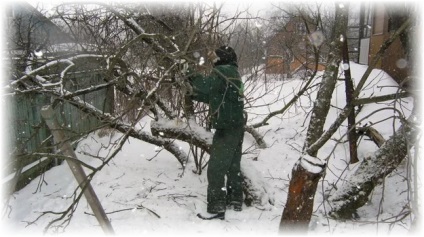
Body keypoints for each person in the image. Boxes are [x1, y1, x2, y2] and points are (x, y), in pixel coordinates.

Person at [187, 46, 245, 220]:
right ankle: (235, 200)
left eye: (215, 58)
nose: (213, 61)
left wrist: (189, 72)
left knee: (216, 169)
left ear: (222, 58)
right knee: (233, 166)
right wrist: (193, 94)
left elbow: (206, 87)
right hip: (236, 126)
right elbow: (214, 95)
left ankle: (216, 205)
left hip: (226, 127)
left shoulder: (223, 71)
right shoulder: (233, 72)